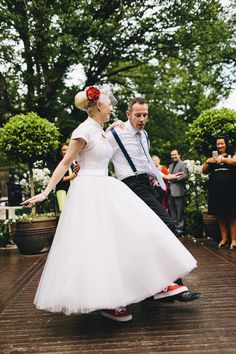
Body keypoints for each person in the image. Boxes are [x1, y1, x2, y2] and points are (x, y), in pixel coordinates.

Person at [21, 86, 197, 323]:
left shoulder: (101, 130)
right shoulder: (83, 130)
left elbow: (103, 148)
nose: (112, 106)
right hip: (89, 192)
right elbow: (65, 163)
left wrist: (111, 129)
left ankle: (159, 283)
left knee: (138, 231)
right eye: (109, 103)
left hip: (106, 187)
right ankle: (110, 302)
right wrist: (45, 192)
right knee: (101, 248)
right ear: (98, 106)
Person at [106, 97, 201, 302]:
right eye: (138, 115)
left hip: (147, 184)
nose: (142, 119)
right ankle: (174, 286)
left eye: (145, 115)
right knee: (167, 225)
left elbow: (147, 163)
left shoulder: (145, 135)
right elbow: (93, 148)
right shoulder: (116, 134)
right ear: (128, 114)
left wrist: (164, 176)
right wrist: (105, 129)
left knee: (146, 236)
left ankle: (160, 287)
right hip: (130, 186)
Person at [202, 136, 236, 249]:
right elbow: (204, 170)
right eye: (218, 144)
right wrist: (208, 161)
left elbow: (234, 162)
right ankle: (224, 238)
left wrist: (222, 159)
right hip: (216, 189)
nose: (220, 145)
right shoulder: (213, 157)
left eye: (222, 143)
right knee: (220, 213)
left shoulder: (232, 154)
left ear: (226, 144)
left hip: (230, 188)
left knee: (231, 213)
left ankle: (234, 240)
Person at [167, 148, 189, 237]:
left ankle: (180, 229)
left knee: (180, 213)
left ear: (179, 155)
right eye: (172, 155)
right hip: (170, 192)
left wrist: (174, 179)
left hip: (179, 192)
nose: (173, 156)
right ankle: (175, 229)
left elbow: (185, 175)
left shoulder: (182, 164)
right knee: (173, 212)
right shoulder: (171, 165)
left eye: (175, 154)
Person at [56, 143, 76, 211]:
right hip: (62, 190)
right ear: (60, 152)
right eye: (64, 150)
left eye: (68, 149)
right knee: (64, 212)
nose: (66, 151)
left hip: (72, 190)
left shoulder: (72, 162)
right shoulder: (58, 163)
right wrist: (71, 176)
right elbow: (57, 178)